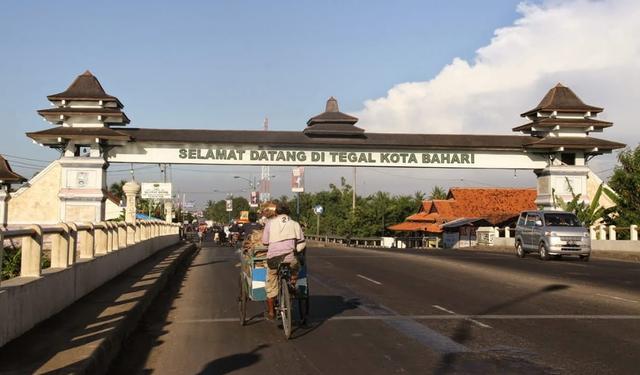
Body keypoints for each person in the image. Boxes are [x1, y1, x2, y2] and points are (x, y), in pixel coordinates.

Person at [261, 202, 305, 320]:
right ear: (288, 212)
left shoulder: (270, 224)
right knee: (295, 266)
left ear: (276, 212)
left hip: (273, 259)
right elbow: (301, 241)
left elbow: (265, 242)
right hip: (289, 257)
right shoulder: (295, 224)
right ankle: (293, 282)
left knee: (271, 282)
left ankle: (271, 312)